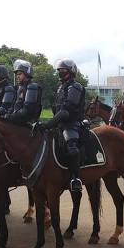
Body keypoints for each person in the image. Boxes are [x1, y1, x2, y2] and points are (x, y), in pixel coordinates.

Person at [34, 59, 85, 193]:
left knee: (71, 147)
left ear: (71, 72)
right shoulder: (60, 87)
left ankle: (75, 178)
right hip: (60, 124)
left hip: (71, 123)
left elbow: (66, 110)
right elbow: (57, 109)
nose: (60, 73)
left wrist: (48, 124)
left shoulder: (75, 87)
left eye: (63, 71)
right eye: (59, 71)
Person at [6, 59, 42, 125]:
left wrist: (10, 117)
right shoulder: (19, 88)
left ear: (27, 74)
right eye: (16, 74)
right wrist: (7, 114)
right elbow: (13, 105)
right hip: (17, 121)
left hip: (27, 124)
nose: (17, 76)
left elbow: (26, 111)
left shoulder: (32, 87)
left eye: (19, 74)